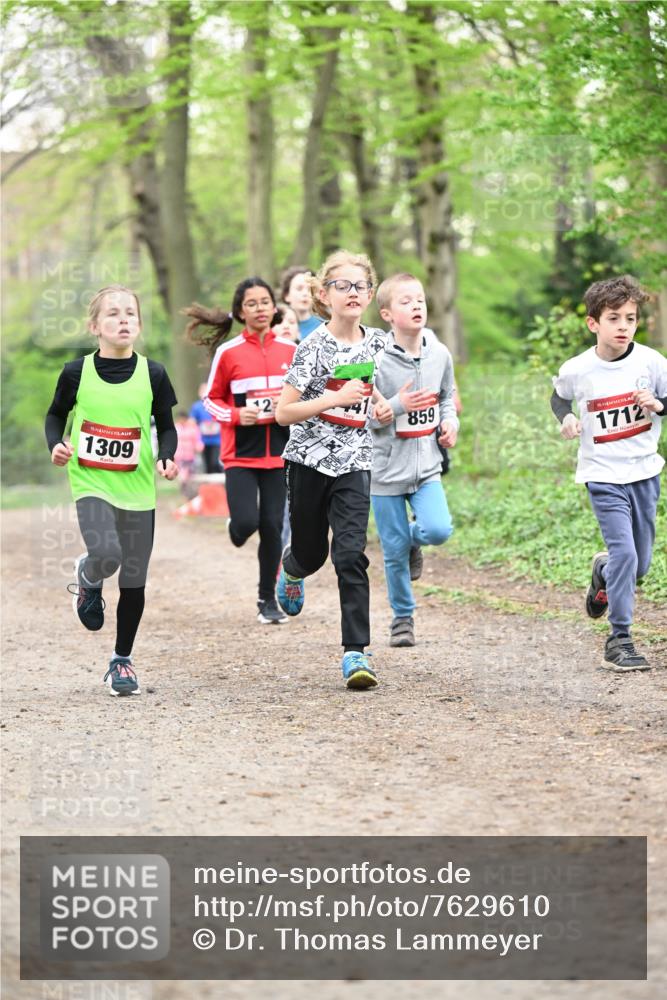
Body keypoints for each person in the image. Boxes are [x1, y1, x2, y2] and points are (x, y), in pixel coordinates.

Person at [45, 284, 179, 696]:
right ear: (95, 326)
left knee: (134, 580)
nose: (123, 320)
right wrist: (57, 445)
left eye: (130, 314)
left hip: (138, 486)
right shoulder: (75, 372)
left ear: (138, 325)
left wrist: (166, 457)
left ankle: (121, 662)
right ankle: (88, 574)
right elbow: (54, 417)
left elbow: (167, 428)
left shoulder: (153, 373)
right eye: (113, 314)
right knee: (108, 555)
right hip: (91, 480)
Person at [274, 249, 392, 689]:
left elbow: (373, 389)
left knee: (349, 555)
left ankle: (356, 652)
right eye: (342, 286)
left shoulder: (379, 343)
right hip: (307, 461)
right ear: (324, 295)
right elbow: (283, 413)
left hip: (355, 463)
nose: (352, 293)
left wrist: (379, 407)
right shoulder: (313, 346)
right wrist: (333, 400)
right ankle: (291, 568)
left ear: (370, 293)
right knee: (312, 554)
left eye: (360, 286)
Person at [551, 274, 667, 672]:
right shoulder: (578, 368)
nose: (623, 327)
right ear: (593, 323)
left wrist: (658, 404)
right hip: (602, 474)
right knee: (626, 553)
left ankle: (603, 572)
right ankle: (619, 639)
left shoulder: (652, 362)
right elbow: (559, 396)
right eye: (614, 318)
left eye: (631, 318)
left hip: (645, 471)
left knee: (640, 565)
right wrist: (566, 418)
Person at [184, 278, 296, 625]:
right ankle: (237, 526)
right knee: (248, 522)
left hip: (280, 453)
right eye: (252, 303)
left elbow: (306, 395)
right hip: (241, 455)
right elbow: (211, 400)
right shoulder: (228, 352)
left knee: (273, 526)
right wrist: (236, 414)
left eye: (265, 302)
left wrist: (288, 403)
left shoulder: (291, 351)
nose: (260, 308)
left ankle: (266, 600)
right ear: (240, 311)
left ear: (275, 308)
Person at [370, 274, 458, 648]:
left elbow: (446, 396)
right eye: (406, 301)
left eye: (419, 299)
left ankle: (414, 541)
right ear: (388, 314)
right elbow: (365, 416)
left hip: (426, 467)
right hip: (386, 470)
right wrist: (396, 406)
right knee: (391, 552)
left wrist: (451, 421)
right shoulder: (374, 360)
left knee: (438, 530)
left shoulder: (440, 354)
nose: (416, 305)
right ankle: (402, 618)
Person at [281, 266, 321, 341]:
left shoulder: (325, 326)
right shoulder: (277, 325)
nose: (305, 293)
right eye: (299, 289)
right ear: (286, 295)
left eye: (310, 289)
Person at [189, 382, 221, 473]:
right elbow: (192, 421)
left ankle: (220, 484)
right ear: (199, 393)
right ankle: (210, 486)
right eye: (203, 391)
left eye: (207, 390)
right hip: (202, 441)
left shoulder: (216, 404)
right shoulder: (196, 406)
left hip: (217, 440)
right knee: (207, 465)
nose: (205, 393)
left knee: (216, 462)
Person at [174, 410, 203, 493]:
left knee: (190, 473)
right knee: (182, 473)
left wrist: (199, 446)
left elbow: (197, 439)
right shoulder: (175, 428)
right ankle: (183, 487)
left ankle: (189, 489)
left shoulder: (192, 428)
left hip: (190, 455)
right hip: (179, 455)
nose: (181, 420)